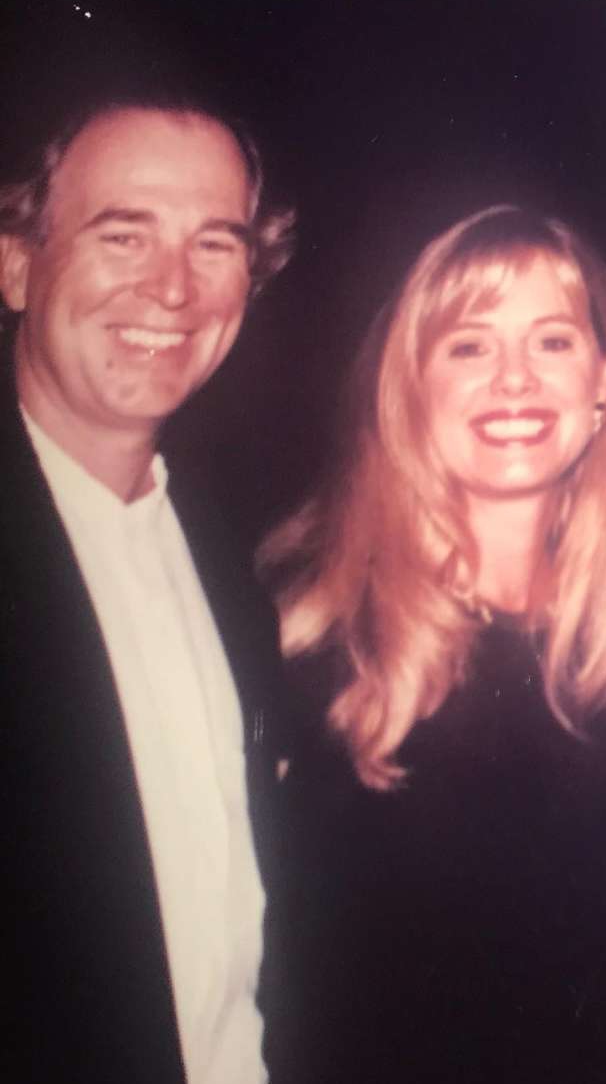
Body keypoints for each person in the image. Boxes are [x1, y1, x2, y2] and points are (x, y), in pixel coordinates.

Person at [257, 205, 606, 1082]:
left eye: (552, 342)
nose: (513, 381)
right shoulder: (308, 633)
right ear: (413, 380)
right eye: (468, 345)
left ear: (605, 377)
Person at [0, 85, 295, 1082]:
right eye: (123, 235)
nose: (174, 288)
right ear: (15, 260)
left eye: (216, 242)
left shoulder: (232, 549)